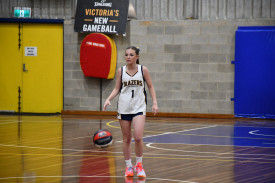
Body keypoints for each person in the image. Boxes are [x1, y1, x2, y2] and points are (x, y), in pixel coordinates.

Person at [103, 46, 158, 178]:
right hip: (124, 107)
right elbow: (117, 88)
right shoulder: (120, 71)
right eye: (126, 54)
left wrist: (155, 102)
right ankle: (128, 166)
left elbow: (150, 86)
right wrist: (108, 99)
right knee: (126, 139)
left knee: (138, 137)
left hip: (139, 107)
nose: (128, 57)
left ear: (137, 57)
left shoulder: (143, 70)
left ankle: (139, 165)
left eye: (131, 54)